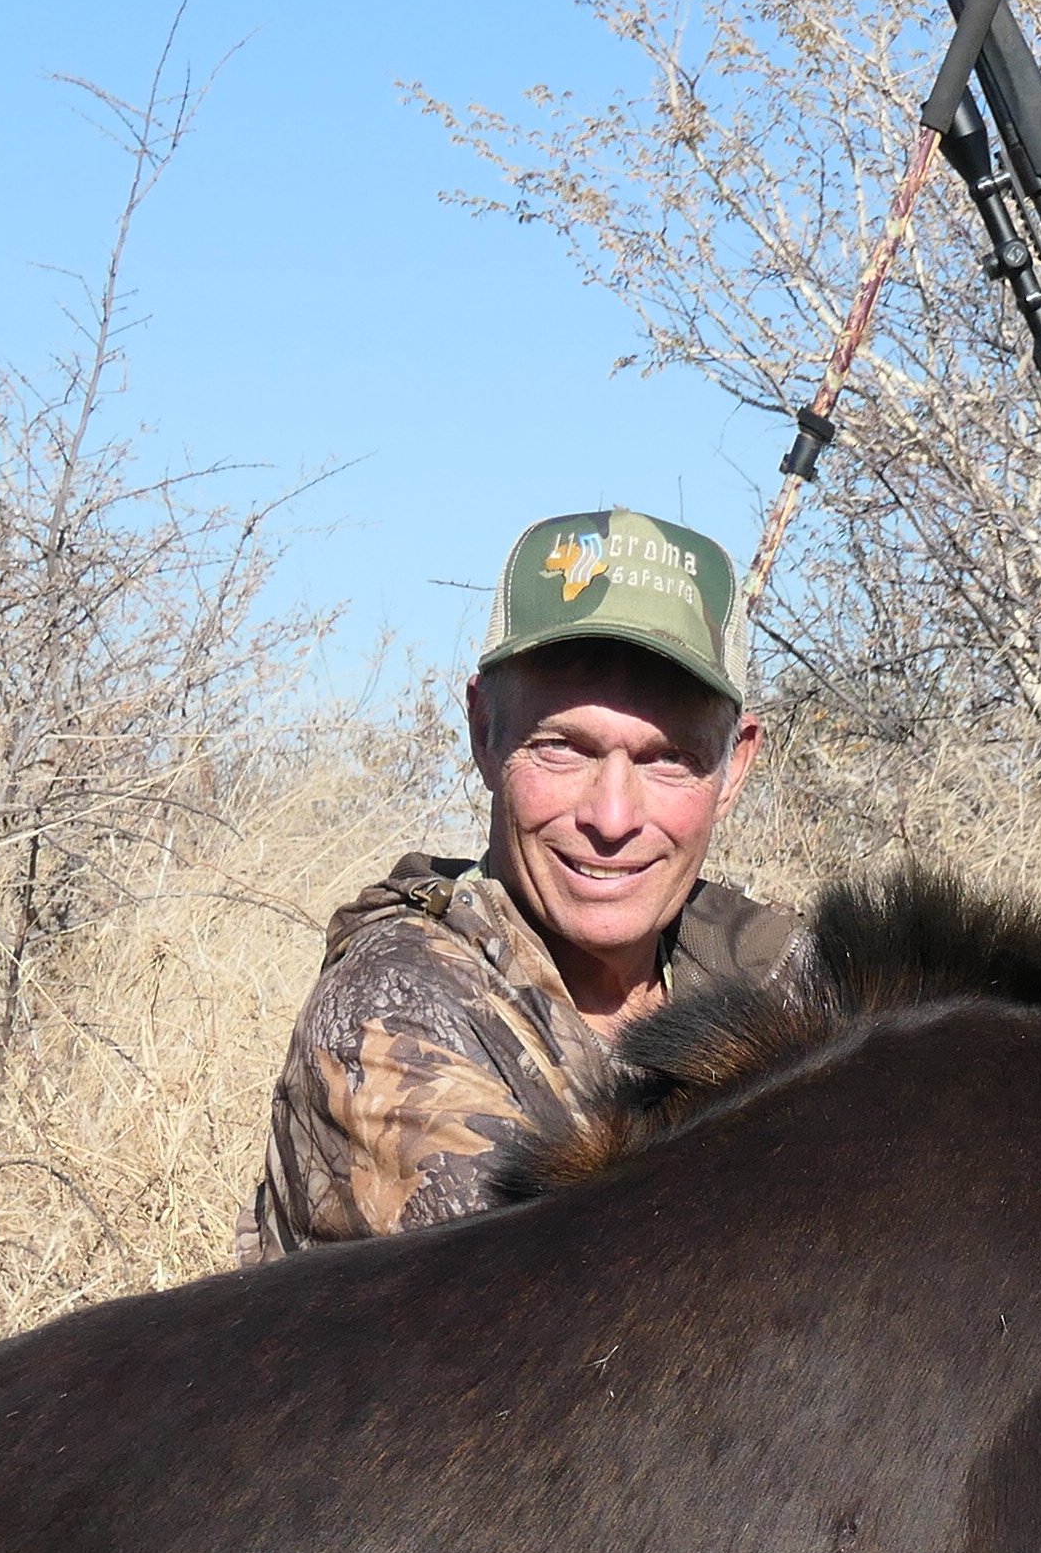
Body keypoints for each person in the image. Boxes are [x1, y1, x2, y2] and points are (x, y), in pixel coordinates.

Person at [252, 507, 801, 1250]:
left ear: (734, 766)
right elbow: (571, 1323)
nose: (612, 818)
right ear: (484, 732)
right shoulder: (394, 1013)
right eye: (563, 748)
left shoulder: (776, 970)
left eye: (667, 758)